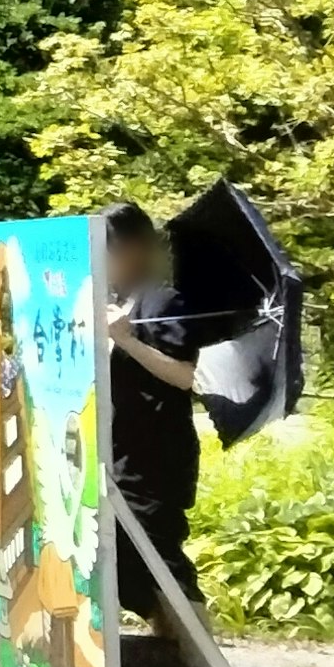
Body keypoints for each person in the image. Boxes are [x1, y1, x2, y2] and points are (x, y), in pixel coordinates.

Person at [100, 202, 206, 625]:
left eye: (107, 252)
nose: (102, 263)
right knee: (123, 565)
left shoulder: (166, 301)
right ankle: (170, 646)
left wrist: (126, 341)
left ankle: (203, 663)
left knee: (159, 559)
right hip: (116, 450)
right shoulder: (112, 302)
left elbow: (187, 375)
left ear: (134, 250)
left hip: (155, 458)